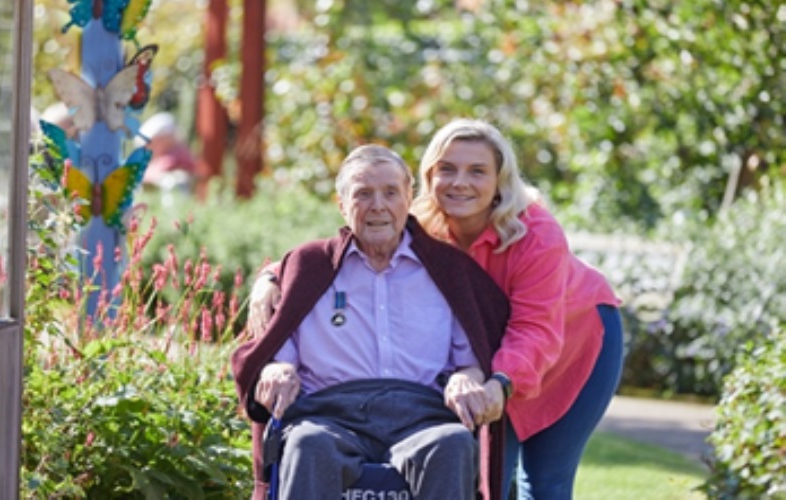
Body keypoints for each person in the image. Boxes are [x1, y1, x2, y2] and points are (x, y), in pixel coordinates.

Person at [248, 120, 625, 500]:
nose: (460, 182)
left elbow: (535, 329)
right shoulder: (425, 222)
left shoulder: (533, 234)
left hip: (571, 341)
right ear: (428, 179)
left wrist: (491, 381)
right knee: (493, 478)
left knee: (543, 480)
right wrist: (269, 277)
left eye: (477, 171)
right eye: (447, 169)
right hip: (493, 357)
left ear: (500, 180)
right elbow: (325, 257)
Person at [231, 144, 510, 500]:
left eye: (390, 192)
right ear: (342, 204)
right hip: (329, 415)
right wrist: (277, 369)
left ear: (409, 198)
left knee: (452, 442)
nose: (378, 205)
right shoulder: (310, 265)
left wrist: (466, 378)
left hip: (421, 416)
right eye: (363, 193)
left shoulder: (447, 269)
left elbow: (471, 361)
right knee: (307, 444)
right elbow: (280, 351)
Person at [135, 112, 197, 191]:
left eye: (151, 145)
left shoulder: (177, 154)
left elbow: (163, 166)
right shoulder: (171, 154)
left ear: (165, 140)